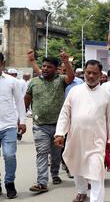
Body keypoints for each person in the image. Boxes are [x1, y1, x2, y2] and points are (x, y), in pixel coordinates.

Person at [54, 60, 110, 202]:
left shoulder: (105, 95)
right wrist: (60, 133)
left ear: (100, 75)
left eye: (95, 73)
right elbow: (65, 113)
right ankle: (82, 191)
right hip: (76, 138)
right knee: (77, 165)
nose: (91, 75)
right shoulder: (74, 91)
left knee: (96, 171)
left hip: (97, 140)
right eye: (88, 72)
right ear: (84, 72)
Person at [25, 52, 75, 193]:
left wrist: (66, 61)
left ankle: (55, 174)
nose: (45, 69)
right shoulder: (34, 82)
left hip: (58, 127)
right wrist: (21, 116)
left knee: (55, 154)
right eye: (44, 66)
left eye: (49, 67)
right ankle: (42, 182)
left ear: (56, 69)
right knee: (42, 152)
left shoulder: (60, 80)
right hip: (40, 126)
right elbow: (27, 98)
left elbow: (71, 78)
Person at [0, 53, 27, 199]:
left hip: (8, 125)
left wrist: (22, 121)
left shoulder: (12, 81)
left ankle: (9, 183)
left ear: (2, 64)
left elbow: (19, 102)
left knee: (9, 155)